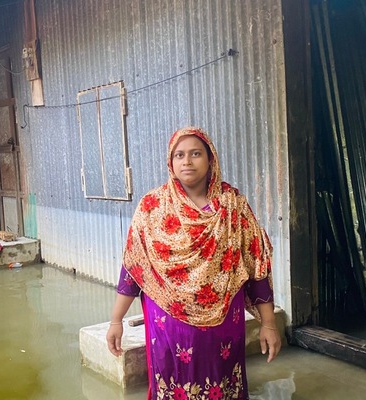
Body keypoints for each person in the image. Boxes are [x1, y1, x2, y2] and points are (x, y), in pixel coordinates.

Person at [106, 126, 280, 400]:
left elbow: (256, 264)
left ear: (211, 160)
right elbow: (133, 268)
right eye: (179, 155)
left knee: (221, 385)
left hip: (223, 323)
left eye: (195, 154)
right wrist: (116, 320)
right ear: (171, 163)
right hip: (168, 323)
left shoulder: (233, 205)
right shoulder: (152, 206)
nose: (186, 161)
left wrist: (269, 324)